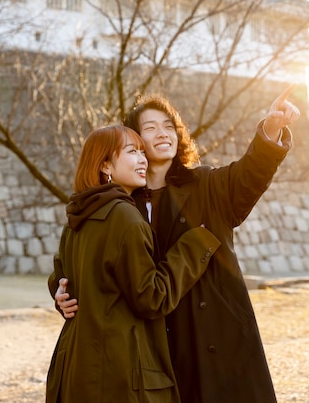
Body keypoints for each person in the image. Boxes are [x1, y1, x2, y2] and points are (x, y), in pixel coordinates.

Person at [55, 84, 300, 403]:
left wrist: (269, 130)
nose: (163, 133)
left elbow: (251, 173)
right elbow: (80, 265)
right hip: (152, 350)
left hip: (212, 341)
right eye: (151, 128)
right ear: (135, 142)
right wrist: (61, 291)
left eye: (169, 126)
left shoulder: (209, 185)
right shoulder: (120, 206)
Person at [46, 124, 220, 403]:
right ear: (105, 165)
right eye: (132, 152)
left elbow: (62, 277)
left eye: (142, 152)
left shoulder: (76, 219)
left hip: (74, 369)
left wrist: (59, 295)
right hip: (119, 373)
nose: (143, 159)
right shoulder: (125, 217)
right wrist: (193, 246)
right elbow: (151, 298)